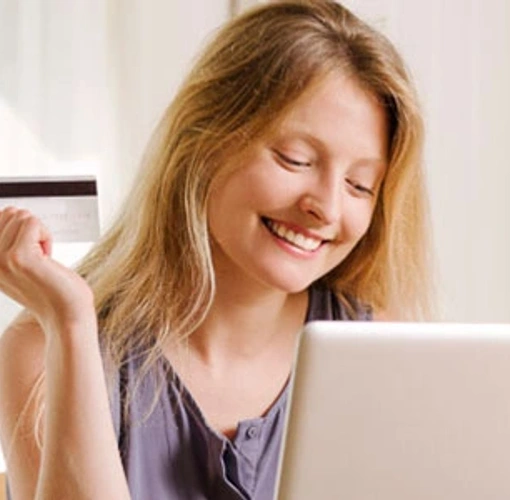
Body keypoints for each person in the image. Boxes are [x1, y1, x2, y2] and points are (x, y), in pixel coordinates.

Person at [0, 1, 433, 498]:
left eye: (360, 185)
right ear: (205, 142)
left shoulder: (380, 347)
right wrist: (71, 323)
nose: (328, 208)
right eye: (295, 159)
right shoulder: (45, 348)